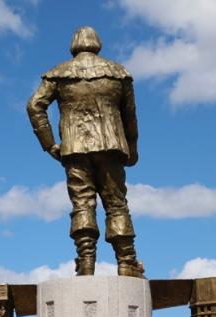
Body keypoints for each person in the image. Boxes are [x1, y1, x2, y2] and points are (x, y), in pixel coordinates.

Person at [26, 26, 143, 278]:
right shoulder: (118, 73)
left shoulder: (58, 74)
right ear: (97, 44)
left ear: (74, 46)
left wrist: (50, 145)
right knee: (116, 204)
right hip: (111, 147)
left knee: (82, 204)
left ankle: (86, 260)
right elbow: (130, 116)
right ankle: (126, 261)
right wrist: (132, 148)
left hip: (74, 149)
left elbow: (34, 106)